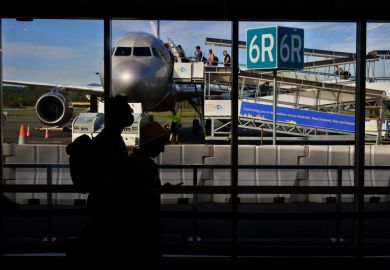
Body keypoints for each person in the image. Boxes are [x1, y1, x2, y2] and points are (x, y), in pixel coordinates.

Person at [78, 95, 134, 268]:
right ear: (117, 115)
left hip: (106, 201)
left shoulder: (111, 137)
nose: (132, 113)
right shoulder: (109, 140)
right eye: (127, 110)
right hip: (107, 202)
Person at [125, 121, 179, 267]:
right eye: (161, 144)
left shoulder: (134, 162)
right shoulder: (142, 166)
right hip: (143, 225)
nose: (162, 150)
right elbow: (140, 196)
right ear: (152, 143)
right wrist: (160, 190)